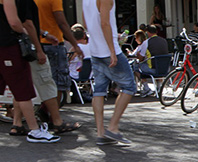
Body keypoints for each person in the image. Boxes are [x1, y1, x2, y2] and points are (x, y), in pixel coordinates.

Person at [12, 0, 81, 136]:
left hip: (18, 47)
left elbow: (18, 23)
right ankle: (55, 121)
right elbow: (29, 24)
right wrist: (39, 49)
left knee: (21, 86)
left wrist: (44, 34)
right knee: (49, 83)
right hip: (35, 47)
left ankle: (17, 123)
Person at [1, 0, 60, 142]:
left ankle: (23, 125)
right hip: (9, 47)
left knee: (19, 88)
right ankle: (34, 130)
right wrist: (25, 32)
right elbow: (14, 22)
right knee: (22, 88)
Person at [83, 0, 138, 145]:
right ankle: (113, 127)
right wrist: (112, 50)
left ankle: (101, 133)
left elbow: (87, 22)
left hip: (95, 50)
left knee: (99, 90)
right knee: (129, 86)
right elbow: (104, 23)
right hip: (108, 50)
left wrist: (110, 35)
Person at [35, 0, 83, 109]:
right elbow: (62, 23)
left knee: (41, 81)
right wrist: (75, 44)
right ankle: (53, 115)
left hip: (38, 43)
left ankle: (43, 111)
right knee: (58, 83)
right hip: (54, 43)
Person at [133, 25, 169, 97]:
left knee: (136, 67)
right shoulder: (164, 40)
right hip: (165, 69)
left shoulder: (146, 42)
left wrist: (137, 54)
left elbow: (141, 58)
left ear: (147, 32)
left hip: (153, 69)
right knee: (158, 63)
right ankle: (159, 87)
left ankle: (146, 88)